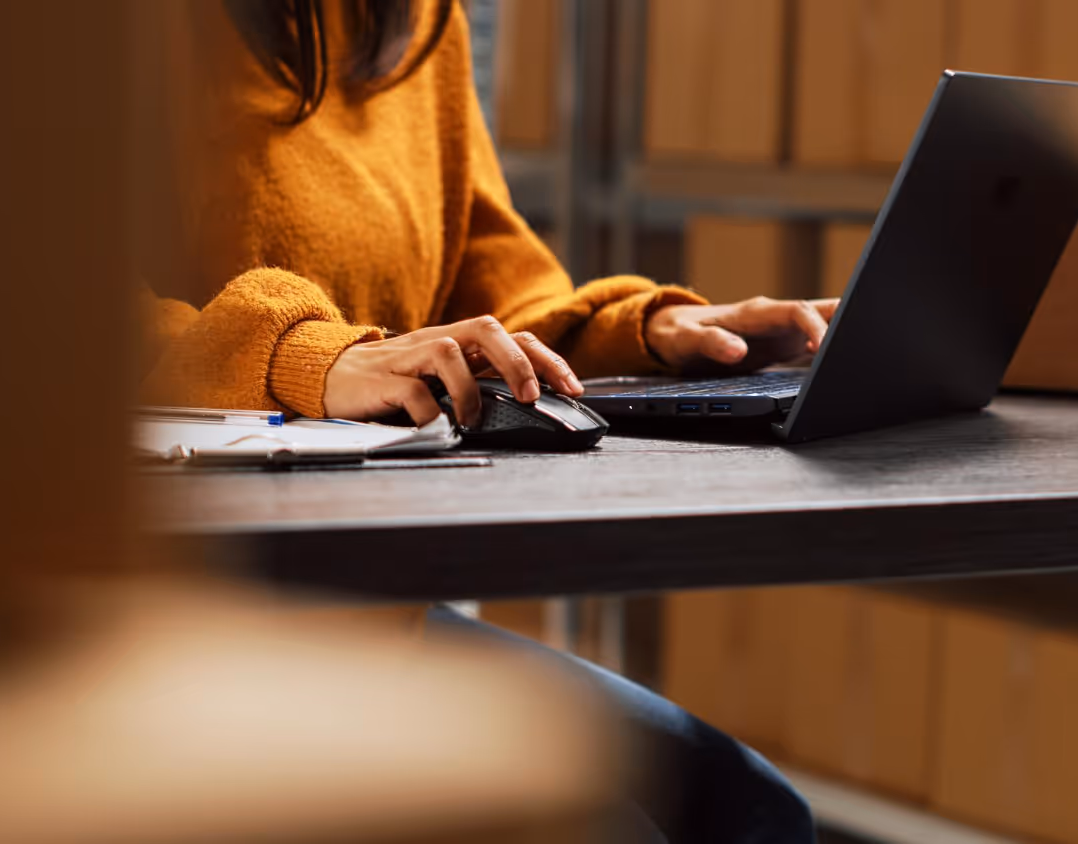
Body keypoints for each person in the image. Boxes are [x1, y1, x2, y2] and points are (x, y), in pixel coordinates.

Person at [135, 2, 827, 841]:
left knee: (750, 813)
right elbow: (10, 310)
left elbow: (489, 281)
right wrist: (305, 358)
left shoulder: (419, 20)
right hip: (156, 624)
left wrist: (638, 331)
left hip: (371, 614)